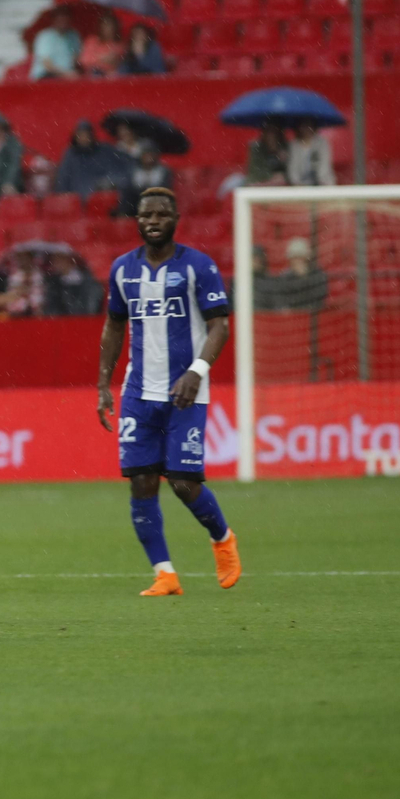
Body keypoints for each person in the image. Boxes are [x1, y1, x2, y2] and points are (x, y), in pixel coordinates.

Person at [96, 188, 241, 597]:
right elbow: (113, 326)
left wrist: (196, 371)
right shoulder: (123, 269)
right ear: (137, 220)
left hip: (186, 392)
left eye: (161, 214)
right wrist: (103, 385)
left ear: (176, 218)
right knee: (142, 481)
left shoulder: (199, 266)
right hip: (139, 392)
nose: (153, 220)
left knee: (182, 482)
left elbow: (220, 326)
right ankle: (165, 574)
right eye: (146, 215)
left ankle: (223, 539)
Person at [53, 120, 128, 198]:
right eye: (81, 135)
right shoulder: (70, 155)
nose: (84, 138)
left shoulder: (105, 150)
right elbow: (63, 180)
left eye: (87, 135)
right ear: (76, 137)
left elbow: (119, 173)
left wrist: (106, 183)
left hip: (104, 197)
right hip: (78, 200)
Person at [255, 235, 328, 312]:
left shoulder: (318, 274)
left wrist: (304, 277)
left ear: (307, 258)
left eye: (300, 257)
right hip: (292, 318)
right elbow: (282, 300)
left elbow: (318, 298)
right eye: (294, 257)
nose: (297, 261)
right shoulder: (284, 278)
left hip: (311, 316)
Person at [117, 142, 174, 215]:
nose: (148, 157)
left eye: (151, 154)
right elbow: (129, 187)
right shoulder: (133, 170)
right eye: (146, 155)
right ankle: (124, 217)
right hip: (136, 202)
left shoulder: (164, 171)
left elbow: (165, 187)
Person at [45, 251, 101, 316]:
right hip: (63, 321)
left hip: (83, 320)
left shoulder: (87, 279)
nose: (55, 264)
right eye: (54, 261)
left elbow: (91, 305)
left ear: (68, 260)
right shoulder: (54, 282)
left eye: (58, 260)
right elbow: (52, 307)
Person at [31, 8, 81, 79]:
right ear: (54, 19)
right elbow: (47, 64)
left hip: (68, 75)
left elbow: (76, 59)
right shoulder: (45, 36)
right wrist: (66, 74)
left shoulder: (73, 35)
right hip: (46, 75)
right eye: (60, 19)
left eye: (65, 19)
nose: (63, 22)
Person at [0, 248, 45, 316]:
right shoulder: (14, 276)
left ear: (31, 259)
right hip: (16, 313)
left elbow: (40, 296)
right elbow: (11, 294)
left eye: (25, 258)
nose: (23, 261)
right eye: (20, 258)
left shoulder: (39, 275)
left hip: (36, 312)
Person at [286, 119, 334, 186]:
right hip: (300, 188)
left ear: (314, 126)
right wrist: (297, 184)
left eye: (309, 125)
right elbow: (292, 169)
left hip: (323, 185)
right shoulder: (294, 145)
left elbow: (324, 166)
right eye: (303, 125)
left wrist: (319, 184)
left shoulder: (322, 143)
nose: (306, 129)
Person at [79, 12, 125, 77]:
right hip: (95, 76)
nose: (108, 29)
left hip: (114, 77)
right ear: (100, 27)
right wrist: (101, 59)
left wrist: (116, 60)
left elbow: (123, 62)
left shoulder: (119, 44)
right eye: (106, 26)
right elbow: (84, 60)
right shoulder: (92, 41)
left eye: (111, 26)